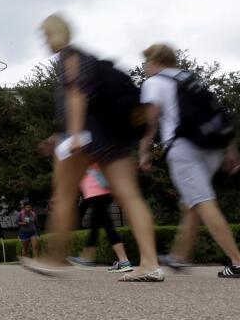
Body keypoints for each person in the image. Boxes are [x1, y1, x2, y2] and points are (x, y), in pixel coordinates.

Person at [22, 14, 164, 281]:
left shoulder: (69, 56)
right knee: (130, 196)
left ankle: (55, 258)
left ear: (55, 34)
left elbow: (77, 93)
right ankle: (150, 264)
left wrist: (73, 135)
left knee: (63, 196)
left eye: (45, 35)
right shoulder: (89, 58)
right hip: (112, 137)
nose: (44, 41)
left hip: (86, 138)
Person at [139, 43, 240, 278]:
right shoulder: (189, 78)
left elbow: (150, 122)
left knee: (202, 201)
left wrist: (144, 150)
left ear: (155, 62)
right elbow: (217, 112)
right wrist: (230, 148)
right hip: (213, 147)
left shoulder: (154, 82)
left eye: (146, 62)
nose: (145, 67)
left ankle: (237, 261)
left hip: (184, 148)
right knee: (190, 203)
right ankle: (179, 256)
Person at [66, 165, 132, 271]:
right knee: (95, 223)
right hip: (98, 189)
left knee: (106, 224)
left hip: (98, 189)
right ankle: (88, 257)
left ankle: (124, 261)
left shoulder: (88, 151)